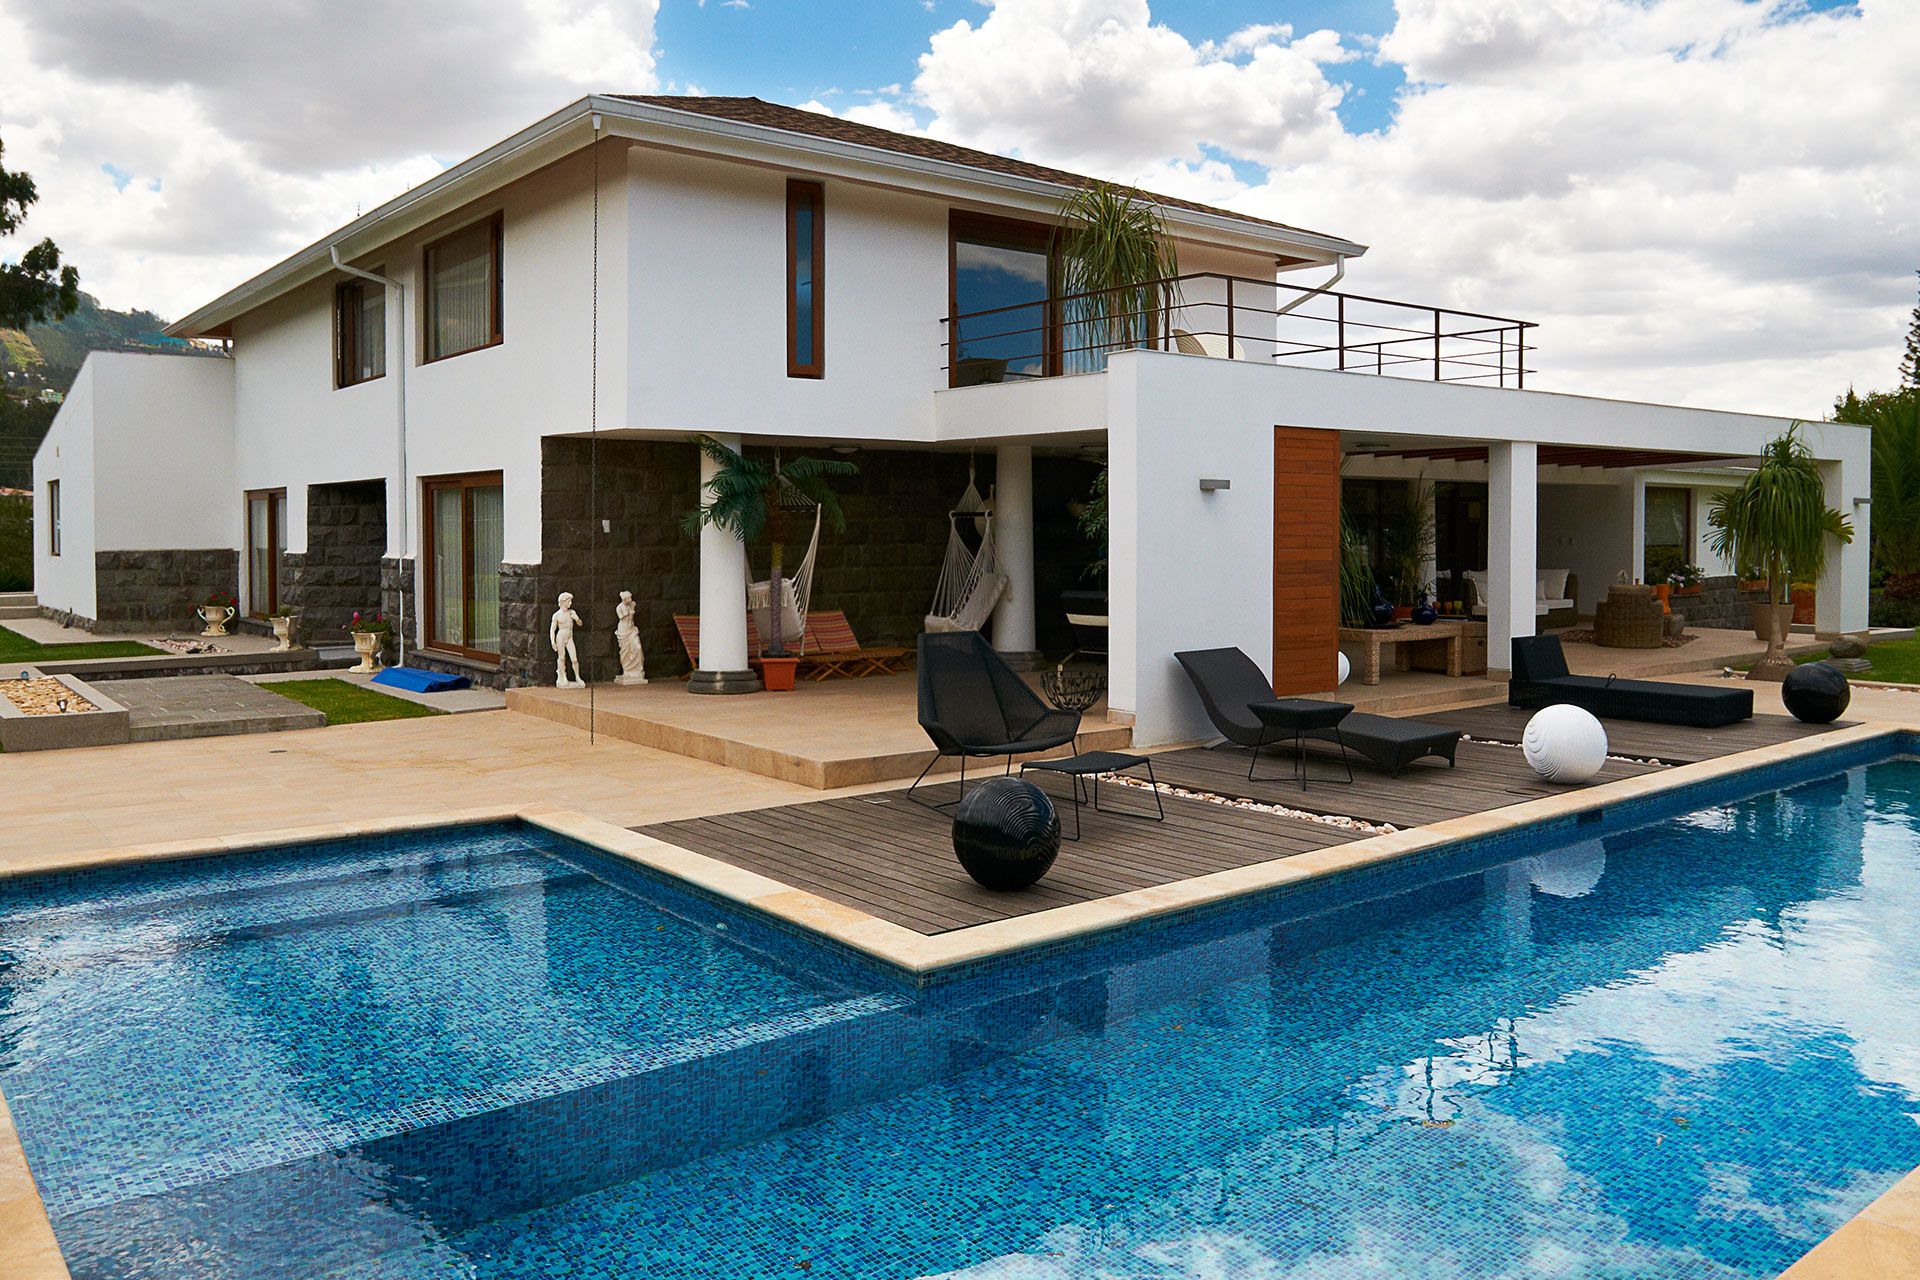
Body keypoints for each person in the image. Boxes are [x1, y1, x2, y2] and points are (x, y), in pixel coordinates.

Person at [551, 592, 585, 688]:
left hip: (569, 636)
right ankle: (563, 677)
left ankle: (577, 677)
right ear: (562, 602)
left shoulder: (572, 612)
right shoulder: (556, 615)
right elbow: (552, 629)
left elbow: (580, 624)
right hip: (561, 636)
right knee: (561, 657)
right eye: (568, 601)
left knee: (574, 659)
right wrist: (553, 641)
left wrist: (577, 619)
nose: (570, 603)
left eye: (570, 601)